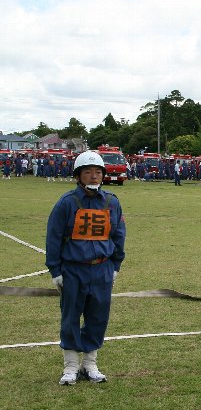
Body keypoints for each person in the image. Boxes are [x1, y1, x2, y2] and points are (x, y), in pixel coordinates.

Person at [46, 151, 126, 385]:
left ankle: (90, 364)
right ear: (78, 176)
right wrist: (56, 271)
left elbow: (118, 235)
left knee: (98, 316)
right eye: (88, 172)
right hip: (73, 270)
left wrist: (115, 265)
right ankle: (71, 366)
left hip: (102, 269)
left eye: (98, 171)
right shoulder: (67, 203)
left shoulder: (112, 202)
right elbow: (53, 237)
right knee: (70, 316)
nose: (94, 176)